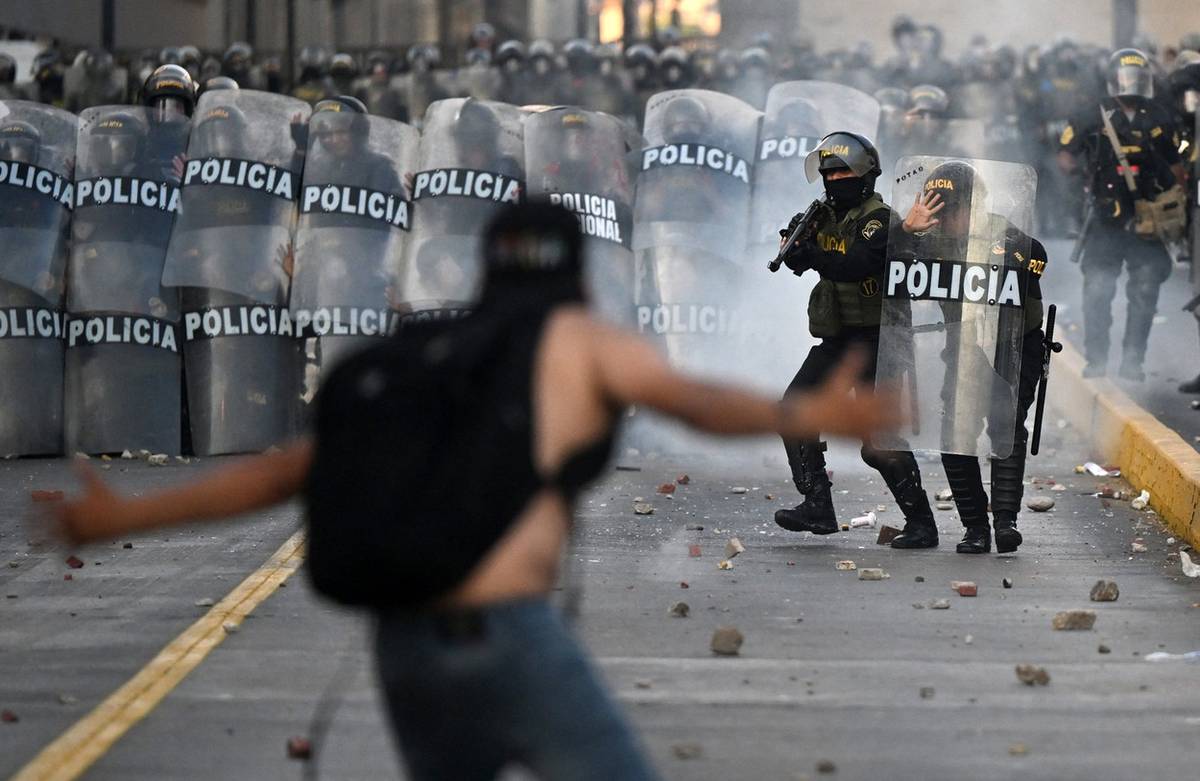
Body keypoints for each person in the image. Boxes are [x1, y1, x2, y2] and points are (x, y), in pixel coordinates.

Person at [50, 200, 901, 781]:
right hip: (511, 634)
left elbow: (280, 472)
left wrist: (123, 515)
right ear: (576, 269)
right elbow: (695, 399)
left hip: (407, 649)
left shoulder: (428, 355)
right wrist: (815, 408)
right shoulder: (576, 338)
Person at [774, 132, 939, 550]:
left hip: (879, 340)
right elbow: (796, 262)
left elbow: (852, 265)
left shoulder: (878, 220)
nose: (834, 179)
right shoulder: (823, 215)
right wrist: (794, 244)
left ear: (865, 175)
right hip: (838, 338)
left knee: (878, 442)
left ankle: (922, 524)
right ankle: (818, 506)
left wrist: (810, 253)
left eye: (843, 170)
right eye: (828, 172)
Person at [898, 162, 1049, 554]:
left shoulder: (1004, 235)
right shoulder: (928, 241)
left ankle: (1005, 522)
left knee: (1007, 427)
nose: (943, 218)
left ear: (974, 204)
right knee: (955, 432)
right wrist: (907, 233)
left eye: (951, 209)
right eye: (936, 208)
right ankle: (974, 527)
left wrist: (998, 254)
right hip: (964, 348)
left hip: (1012, 349)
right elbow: (887, 265)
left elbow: (1037, 258)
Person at [1058, 48, 1186, 381]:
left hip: (1147, 219)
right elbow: (1066, 157)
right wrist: (1086, 177)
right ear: (1113, 79)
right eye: (1125, 77)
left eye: (1137, 77)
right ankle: (1097, 359)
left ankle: (1133, 361)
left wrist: (1171, 200)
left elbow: (1176, 165)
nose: (1131, 84)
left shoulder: (1159, 115)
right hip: (1104, 219)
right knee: (1098, 291)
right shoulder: (1092, 113)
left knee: (1145, 291)